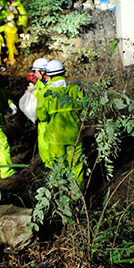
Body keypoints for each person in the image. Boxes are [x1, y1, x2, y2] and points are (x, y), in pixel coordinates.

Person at [36, 60, 85, 188]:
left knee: (58, 167)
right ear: (64, 73)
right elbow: (84, 111)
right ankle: (78, 196)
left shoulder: (44, 94)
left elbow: (41, 116)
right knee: (77, 166)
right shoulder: (75, 89)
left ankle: (61, 195)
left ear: (48, 75)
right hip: (74, 135)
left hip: (54, 137)